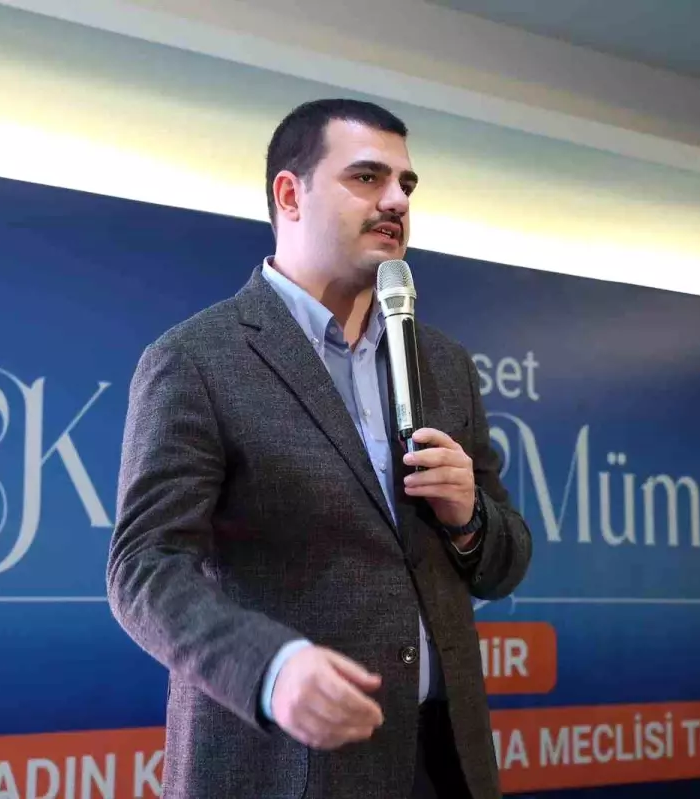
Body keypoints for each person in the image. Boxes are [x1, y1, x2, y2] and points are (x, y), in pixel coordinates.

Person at [106, 98, 533, 799]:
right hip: (286, 767)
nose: (397, 200)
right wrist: (271, 668)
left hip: (444, 765)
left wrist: (469, 518)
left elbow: (504, 563)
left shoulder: (442, 363)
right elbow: (144, 568)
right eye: (367, 177)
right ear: (289, 194)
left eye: (406, 183)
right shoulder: (197, 358)